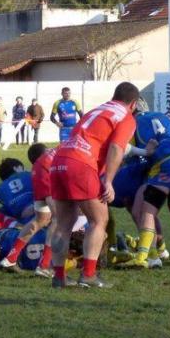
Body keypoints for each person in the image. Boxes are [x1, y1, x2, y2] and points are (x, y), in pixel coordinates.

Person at [49, 82, 140, 288]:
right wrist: (108, 180)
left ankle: (58, 277)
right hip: (82, 164)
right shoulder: (125, 116)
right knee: (99, 220)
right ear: (133, 104)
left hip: (59, 159)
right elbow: (117, 148)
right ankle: (88, 274)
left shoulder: (97, 109)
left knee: (63, 222)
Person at [122, 111, 170, 269]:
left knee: (142, 211)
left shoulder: (132, 124)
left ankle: (148, 256)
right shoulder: (163, 117)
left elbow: (129, 156)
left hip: (164, 164)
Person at [0, 143, 56, 277]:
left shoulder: (0, 188)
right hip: (46, 177)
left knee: (41, 219)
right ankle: (45, 265)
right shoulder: (26, 174)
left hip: (22, 214)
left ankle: (11, 258)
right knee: (59, 220)